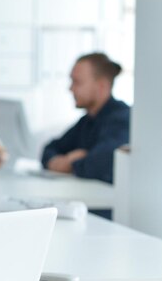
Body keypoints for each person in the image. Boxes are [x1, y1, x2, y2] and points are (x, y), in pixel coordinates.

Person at [41, 52, 130, 184]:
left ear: (102, 86)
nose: (70, 89)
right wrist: (62, 161)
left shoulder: (122, 119)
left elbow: (102, 164)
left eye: (77, 82)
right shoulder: (87, 121)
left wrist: (71, 163)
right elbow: (50, 148)